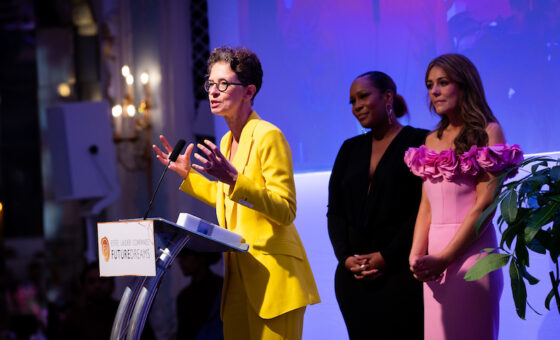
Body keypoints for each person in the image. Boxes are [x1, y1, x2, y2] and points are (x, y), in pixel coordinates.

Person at [153, 46, 320, 340]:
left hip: (274, 280)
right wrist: (188, 175)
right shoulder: (229, 139)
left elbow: (285, 209)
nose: (213, 92)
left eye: (223, 84)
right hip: (239, 281)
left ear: (249, 91)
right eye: (210, 83)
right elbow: (230, 196)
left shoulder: (268, 135)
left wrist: (233, 178)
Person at [405, 54, 523, 340]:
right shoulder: (431, 139)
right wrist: (416, 253)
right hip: (435, 257)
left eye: (443, 83)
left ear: (464, 84)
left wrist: (445, 257)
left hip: (473, 252)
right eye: (430, 84)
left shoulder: (488, 132)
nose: (434, 91)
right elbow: (426, 206)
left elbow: (485, 207)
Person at [327, 71, 427, 339]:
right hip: (353, 279)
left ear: (388, 97)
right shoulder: (349, 149)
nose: (356, 106)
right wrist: (346, 258)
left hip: (401, 275)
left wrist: (386, 257)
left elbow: (422, 210)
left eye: (363, 96)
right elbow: (335, 212)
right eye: (352, 101)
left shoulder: (421, 141)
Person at [176, 249, 223, 340]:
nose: (180, 262)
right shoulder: (184, 296)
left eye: (186, 256)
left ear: (201, 258)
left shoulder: (220, 288)